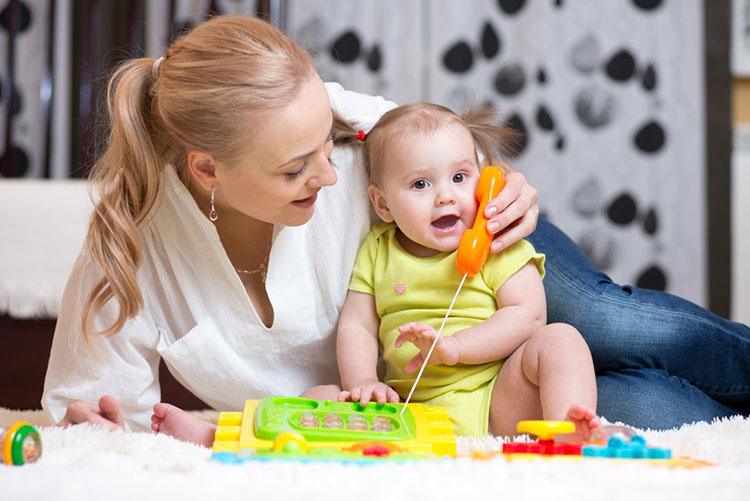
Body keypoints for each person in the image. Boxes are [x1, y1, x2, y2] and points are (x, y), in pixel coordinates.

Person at [42, 15, 748, 437]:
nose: (330, 172)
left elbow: (444, 150)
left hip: (468, 250)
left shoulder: (344, 127)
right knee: (643, 405)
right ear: (206, 171)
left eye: (330, 143)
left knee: (603, 323)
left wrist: (504, 184)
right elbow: (93, 412)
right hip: (433, 391)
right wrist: (98, 432)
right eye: (295, 170)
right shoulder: (132, 244)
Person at [334, 102, 600, 439]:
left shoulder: (495, 242)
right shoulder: (378, 250)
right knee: (320, 396)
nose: (446, 195)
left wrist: (458, 347)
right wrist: (362, 381)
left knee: (561, 339)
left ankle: (569, 432)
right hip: (410, 409)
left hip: (496, 399)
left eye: (459, 177)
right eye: (420, 184)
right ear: (383, 204)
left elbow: (529, 315)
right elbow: (357, 324)